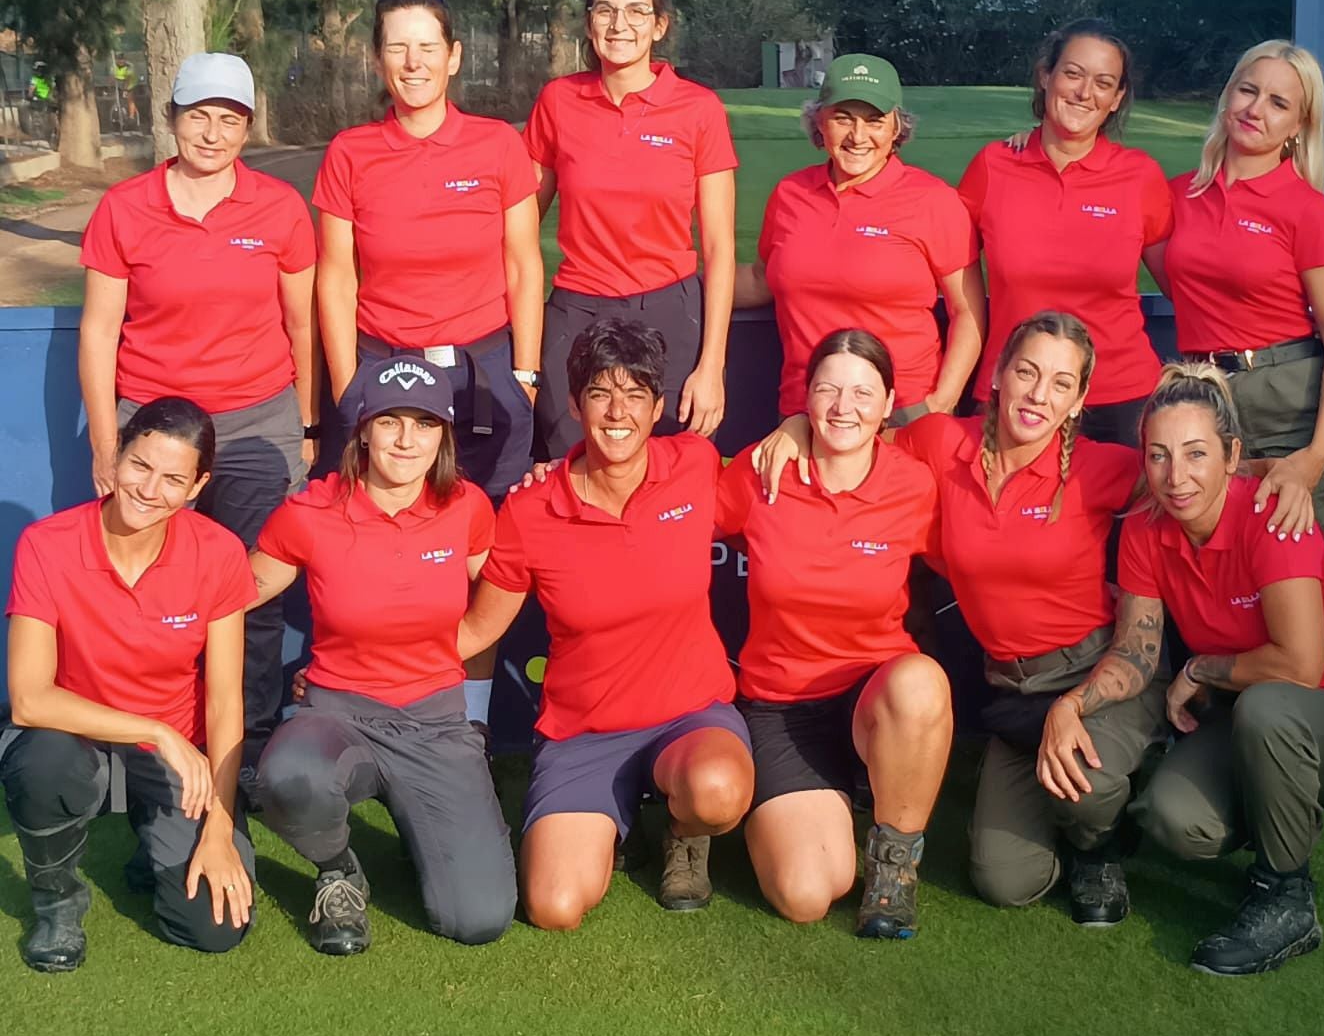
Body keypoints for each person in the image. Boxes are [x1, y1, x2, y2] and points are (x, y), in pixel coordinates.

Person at [755, 314, 1165, 927]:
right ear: (998, 374)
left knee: (1091, 785)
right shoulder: (943, 443)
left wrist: (1288, 472)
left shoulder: (1104, 468)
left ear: (1080, 400)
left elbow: (1198, 481)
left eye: (1060, 383)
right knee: (1004, 880)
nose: (1037, 395)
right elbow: (856, 427)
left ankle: (1097, 846)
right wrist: (793, 425)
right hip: (1011, 689)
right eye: (1025, 372)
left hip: (1092, 674)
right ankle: (1064, 821)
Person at [1112, 362, 1324, 975]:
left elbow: (1301, 667)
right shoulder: (1147, 531)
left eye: (1196, 453)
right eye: (1158, 456)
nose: (1176, 477)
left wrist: (1202, 668)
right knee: (1174, 819)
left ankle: (1286, 897)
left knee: (1269, 704)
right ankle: (1283, 807)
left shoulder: (1271, 514)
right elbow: (1136, 647)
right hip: (1262, 719)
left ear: (1232, 455)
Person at [458, 319, 754, 928]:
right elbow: (476, 632)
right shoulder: (531, 508)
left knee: (718, 790)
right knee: (553, 906)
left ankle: (682, 832)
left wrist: (801, 427)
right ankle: (616, 820)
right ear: (575, 403)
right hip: (583, 734)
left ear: (659, 406)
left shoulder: (695, 465)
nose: (617, 412)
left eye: (635, 394)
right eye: (600, 393)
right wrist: (362, 670)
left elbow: (784, 480)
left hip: (689, 717)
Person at [78, 51, 316, 782]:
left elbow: (301, 324)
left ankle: (247, 738)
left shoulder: (278, 207)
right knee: (148, 579)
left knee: (254, 587)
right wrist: (105, 441)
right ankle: (143, 735)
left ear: (248, 127)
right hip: (153, 427)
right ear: (173, 118)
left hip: (257, 420)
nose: (212, 133)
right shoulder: (125, 208)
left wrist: (306, 425)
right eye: (198, 116)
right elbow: (98, 331)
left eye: (230, 120)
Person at [315, 0, 545, 733]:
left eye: (426, 47)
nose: (412, 62)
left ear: (453, 58)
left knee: (477, 552)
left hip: (480, 372)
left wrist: (527, 373)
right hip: (383, 374)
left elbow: (522, 264)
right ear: (378, 60)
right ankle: (371, 711)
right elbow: (337, 277)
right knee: (380, 547)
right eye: (396, 47)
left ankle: (469, 722)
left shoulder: (495, 146)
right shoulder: (350, 154)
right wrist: (348, 387)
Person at [247, 357, 515, 955]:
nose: (405, 439)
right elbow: (235, 594)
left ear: (444, 434)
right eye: (390, 421)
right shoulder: (309, 513)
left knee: (478, 919)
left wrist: (455, 654)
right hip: (338, 712)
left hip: (436, 720)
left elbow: (503, 587)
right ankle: (339, 870)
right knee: (291, 776)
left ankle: (422, 822)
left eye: (424, 424)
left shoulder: (467, 507)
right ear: (363, 428)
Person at [2, 399, 256, 972]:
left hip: (175, 752)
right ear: (116, 457)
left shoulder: (218, 553)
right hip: (77, 736)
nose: (149, 489)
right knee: (40, 760)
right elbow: (29, 697)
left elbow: (223, 702)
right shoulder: (47, 543)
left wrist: (217, 826)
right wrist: (156, 730)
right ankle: (57, 903)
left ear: (198, 486)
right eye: (140, 466)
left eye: (173, 478)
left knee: (216, 928)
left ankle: (158, 840)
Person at [720, 329, 951, 938]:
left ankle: (895, 866)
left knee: (922, 683)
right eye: (827, 390)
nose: (843, 408)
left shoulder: (915, 485)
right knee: (807, 895)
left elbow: (977, 560)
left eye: (862, 393)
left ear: (888, 402)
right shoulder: (762, 471)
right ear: (805, 398)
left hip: (875, 700)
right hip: (782, 707)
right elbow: (677, 508)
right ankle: (830, 810)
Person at [524, 0, 736, 459]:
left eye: (637, 12)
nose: (620, 25)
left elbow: (720, 250)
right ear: (589, 22)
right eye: (605, 10)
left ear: (659, 25)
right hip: (577, 308)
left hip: (669, 310)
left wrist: (712, 368)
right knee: (570, 462)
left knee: (667, 467)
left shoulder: (698, 109)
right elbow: (518, 222)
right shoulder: (557, 101)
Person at [1145, 40, 1324, 539]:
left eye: (1278, 103)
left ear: (1298, 128)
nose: (1255, 109)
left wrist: (1316, 455)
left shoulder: (1308, 211)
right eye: (1247, 90)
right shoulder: (1176, 196)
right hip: (1201, 397)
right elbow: (1184, 291)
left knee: (1284, 574)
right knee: (1206, 568)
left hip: (1286, 407)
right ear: (1227, 96)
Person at [736, 53, 985, 426]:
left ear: (896, 127)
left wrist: (938, 406)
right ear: (819, 121)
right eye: (842, 118)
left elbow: (967, 311)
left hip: (902, 413)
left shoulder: (933, 200)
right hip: (805, 412)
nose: (857, 136)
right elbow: (760, 278)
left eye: (874, 121)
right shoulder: (791, 193)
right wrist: (676, 286)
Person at [965, 21, 1172, 447]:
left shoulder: (1140, 176)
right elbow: (945, 276)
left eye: (1103, 83)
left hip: (1120, 403)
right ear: (1046, 75)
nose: (1084, 92)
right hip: (1015, 395)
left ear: (1116, 100)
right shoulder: (993, 166)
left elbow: (1184, 285)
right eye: (1073, 74)